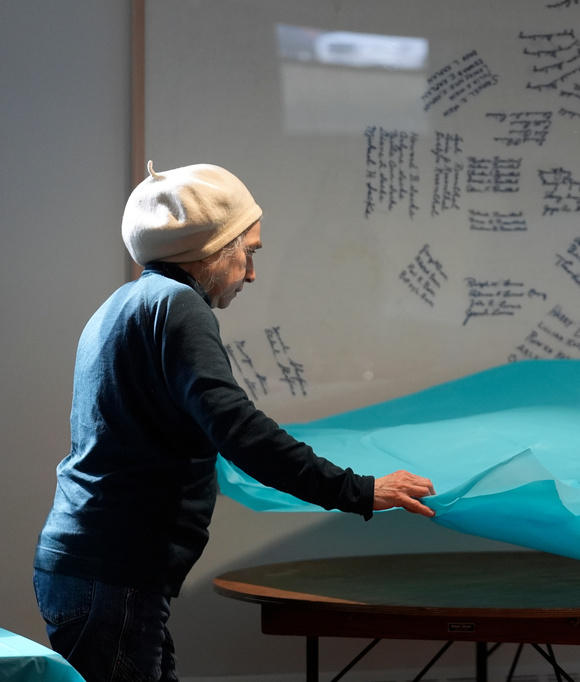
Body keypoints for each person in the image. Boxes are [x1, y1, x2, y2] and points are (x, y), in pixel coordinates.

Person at [34, 161, 436, 681]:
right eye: (248, 252)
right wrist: (358, 491)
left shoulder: (126, 303)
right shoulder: (178, 306)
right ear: (209, 251)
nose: (251, 273)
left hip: (93, 568)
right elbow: (239, 430)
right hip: (114, 575)